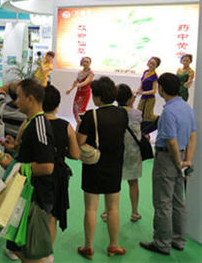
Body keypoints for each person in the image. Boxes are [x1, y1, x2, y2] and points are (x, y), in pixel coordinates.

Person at [0, 79, 55, 263]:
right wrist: (15, 148)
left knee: (31, 251)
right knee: (21, 247)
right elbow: (33, 155)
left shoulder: (39, 125)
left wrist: (15, 166)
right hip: (25, 191)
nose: (16, 102)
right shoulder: (31, 122)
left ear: (30, 99)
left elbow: (47, 166)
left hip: (35, 195)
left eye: (20, 97)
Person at [140, 73, 197, 256]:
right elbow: (193, 135)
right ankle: (178, 240)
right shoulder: (186, 108)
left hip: (167, 159)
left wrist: (177, 161)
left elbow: (171, 141)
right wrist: (186, 160)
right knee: (178, 201)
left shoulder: (168, 112)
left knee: (163, 202)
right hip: (182, 156)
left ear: (162, 89)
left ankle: (162, 243)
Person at [76, 76, 127, 259]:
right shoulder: (122, 114)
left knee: (91, 208)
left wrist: (79, 126)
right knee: (113, 208)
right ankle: (114, 245)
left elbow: (80, 141)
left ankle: (88, 247)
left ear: (97, 96)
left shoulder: (91, 115)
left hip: (94, 166)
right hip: (115, 165)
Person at [43, 85, 80, 244]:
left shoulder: (30, 123)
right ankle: (48, 253)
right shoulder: (66, 126)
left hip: (36, 174)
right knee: (52, 217)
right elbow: (75, 154)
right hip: (57, 177)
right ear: (57, 105)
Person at [113, 83, 143, 223]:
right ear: (130, 98)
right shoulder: (137, 114)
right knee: (133, 182)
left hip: (116, 151)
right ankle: (134, 212)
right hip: (133, 152)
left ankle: (108, 211)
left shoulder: (113, 113)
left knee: (113, 183)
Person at [66, 57, 94, 123]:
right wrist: (70, 89)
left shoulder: (91, 73)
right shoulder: (80, 72)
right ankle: (78, 123)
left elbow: (85, 82)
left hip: (85, 93)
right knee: (75, 109)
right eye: (84, 61)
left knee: (81, 110)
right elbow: (76, 81)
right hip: (78, 93)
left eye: (87, 62)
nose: (85, 63)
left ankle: (82, 124)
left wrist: (78, 85)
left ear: (90, 63)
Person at [136, 56, 161, 122]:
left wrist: (143, 92)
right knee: (139, 113)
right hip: (143, 96)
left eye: (153, 64)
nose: (151, 65)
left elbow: (154, 91)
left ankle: (160, 119)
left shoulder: (154, 76)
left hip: (150, 98)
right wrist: (139, 90)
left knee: (147, 116)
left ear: (156, 66)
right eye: (150, 63)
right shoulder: (145, 72)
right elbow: (142, 83)